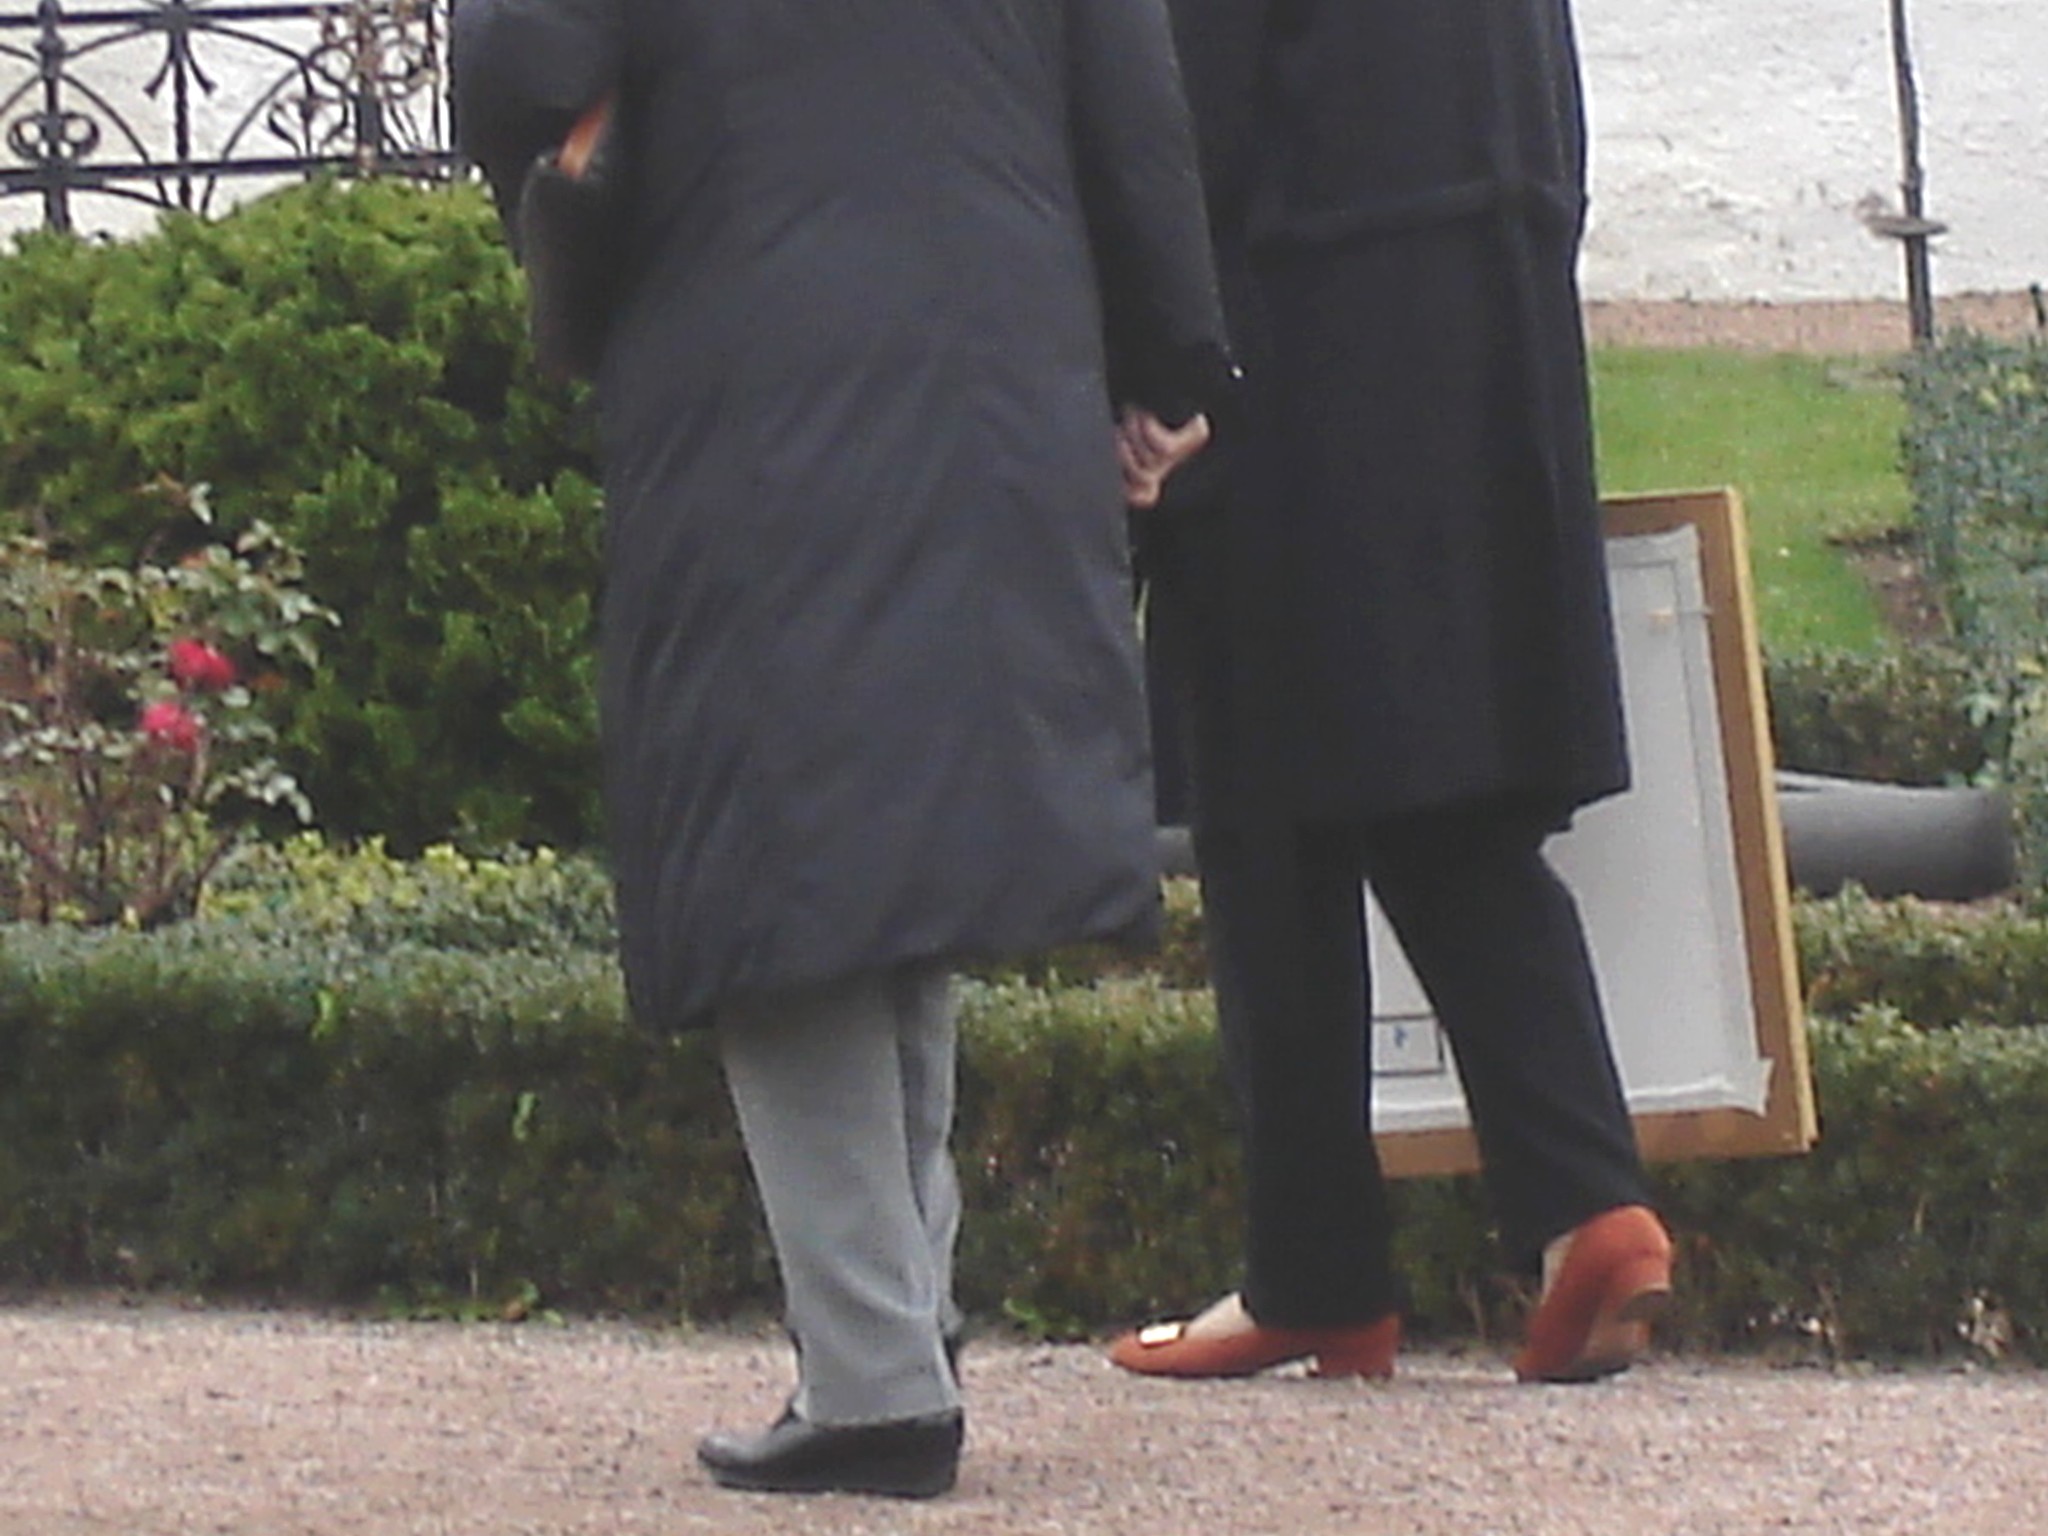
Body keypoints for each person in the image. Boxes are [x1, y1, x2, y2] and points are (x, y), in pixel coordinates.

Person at [451, 0, 1228, 1500]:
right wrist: (1171, 366)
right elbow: (1135, 105)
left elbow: (523, 57)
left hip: (752, 346)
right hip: (1001, 336)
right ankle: (898, 1329)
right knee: (904, 834)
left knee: (780, 858)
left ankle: (875, 1376)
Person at [1107, 0, 1673, 1387]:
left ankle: (1343, 1266)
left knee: (1268, 794)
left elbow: (1187, 123)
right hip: (1481, 324)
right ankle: (1560, 1210)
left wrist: (1161, 365)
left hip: (1292, 338)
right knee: (1424, 784)